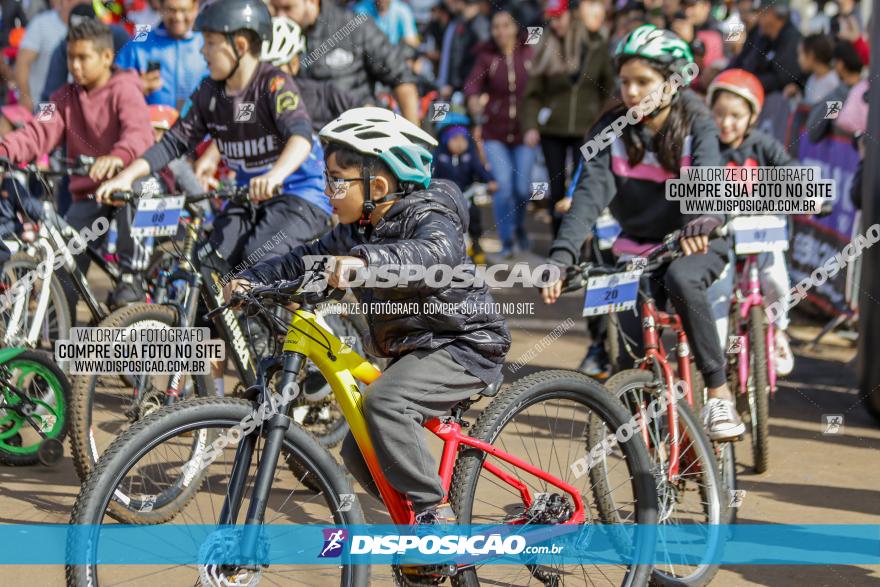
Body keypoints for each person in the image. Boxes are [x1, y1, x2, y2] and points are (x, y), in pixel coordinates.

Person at [224, 106, 511, 534]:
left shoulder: (431, 213)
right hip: (416, 348)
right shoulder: (357, 228)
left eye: (336, 181)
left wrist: (364, 262)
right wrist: (252, 280)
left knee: (384, 403)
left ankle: (436, 517)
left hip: (463, 343)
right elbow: (303, 259)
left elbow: (435, 254)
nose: (327, 191)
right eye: (325, 179)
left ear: (376, 185)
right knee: (361, 451)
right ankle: (417, 517)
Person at [541, 24, 745, 441]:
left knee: (682, 279)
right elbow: (587, 196)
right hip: (636, 248)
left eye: (644, 82)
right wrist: (561, 257)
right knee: (634, 349)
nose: (632, 92)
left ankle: (719, 394)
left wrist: (702, 219)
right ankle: (648, 440)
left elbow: (706, 175)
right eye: (626, 81)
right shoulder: (610, 130)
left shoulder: (697, 121)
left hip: (698, 238)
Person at [0, 18, 155, 307]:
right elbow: (35, 132)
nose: (75, 65)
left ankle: (132, 277)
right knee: (64, 270)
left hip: (128, 189)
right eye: (71, 57)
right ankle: (57, 331)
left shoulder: (125, 89)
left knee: (138, 189)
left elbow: (139, 135)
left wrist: (116, 158)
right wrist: (4, 151)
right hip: (89, 195)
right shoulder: (64, 98)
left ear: (107, 57)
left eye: (83, 57)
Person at [707, 68, 796, 375]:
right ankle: (713, 359)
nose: (726, 123)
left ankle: (779, 331)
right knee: (718, 289)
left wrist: (808, 195)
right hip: (723, 231)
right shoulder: (708, 147)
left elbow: (789, 170)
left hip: (760, 228)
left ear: (752, 117)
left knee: (777, 280)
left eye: (735, 116)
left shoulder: (764, 144)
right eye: (719, 114)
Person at [522, 0, 614, 238]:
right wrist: (531, 125)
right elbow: (532, 94)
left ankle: (579, 241)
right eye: (550, 19)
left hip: (586, 129)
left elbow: (609, 89)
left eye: (558, 17)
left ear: (571, 16)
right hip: (553, 129)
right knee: (556, 188)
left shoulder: (596, 45)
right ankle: (557, 241)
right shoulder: (546, 47)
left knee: (582, 186)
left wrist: (601, 121)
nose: (554, 23)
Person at [271, 0, 420, 123]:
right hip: (303, 142)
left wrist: (413, 143)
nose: (280, 17)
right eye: (275, 9)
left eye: (287, 8)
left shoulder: (354, 27)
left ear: (312, 1)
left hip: (357, 139)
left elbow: (402, 78)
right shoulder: (272, 38)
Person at [463, 9, 534, 258]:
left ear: (515, 27)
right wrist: (473, 100)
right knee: (503, 187)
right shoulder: (486, 57)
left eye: (506, 25)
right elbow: (471, 85)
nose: (501, 31)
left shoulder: (529, 53)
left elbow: (543, 86)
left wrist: (538, 122)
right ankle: (507, 240)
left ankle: (520, 227)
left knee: (523, 189)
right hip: (495, 134)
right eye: (496, 27)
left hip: (526, 132)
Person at [261, 15, 358, 131]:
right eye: (260, 69)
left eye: (274, 69)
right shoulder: (245, 105)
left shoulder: (326, 95)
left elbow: (368, 115)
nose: (265, 76)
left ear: (294, 64)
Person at [115, 0, 208, 111]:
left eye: (184, 10)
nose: (178, 17)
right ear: (161, 8)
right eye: (171, 10)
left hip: (200, 124)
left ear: (195, 8)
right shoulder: (141, 36)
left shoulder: (208, 40)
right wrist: (136, 87)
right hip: (151, 124)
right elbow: (114, 85)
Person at [432, 113, 496, 263]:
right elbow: (430, 174)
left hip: (466, 194)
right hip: (445, 197)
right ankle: (443, 248)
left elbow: (480, 170)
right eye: (455, 139)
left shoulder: (470, 156)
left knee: (474, 216)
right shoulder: (439, 157)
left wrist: (490, 180)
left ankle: (476, 243)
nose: (460, 143)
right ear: (445, 140)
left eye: (463, 139)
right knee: (443, 220)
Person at [13, 0, 84, 113]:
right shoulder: (41, 24)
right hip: (43, 105)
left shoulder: (90, 27)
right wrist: (25, 97)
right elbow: (22, 62)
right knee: (45, 125)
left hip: (76, 109)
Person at [729, 0, 803, 95]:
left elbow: (780, 79)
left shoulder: (792, 40)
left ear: (776, 14)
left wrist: (746, 83)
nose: (758, 18)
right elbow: (746, 63)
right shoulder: (762, 36)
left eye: (763, 13)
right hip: (752, 91)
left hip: (774, 99)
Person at [806, 39, 865, 143]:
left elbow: (815, 132)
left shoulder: (838, 98)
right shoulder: (869, 90)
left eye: (834, 62)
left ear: (840, 64)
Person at [436, 0, 490, 98]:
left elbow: (480, 60)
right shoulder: (457, 21)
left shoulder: (479, 25)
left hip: (465, 90)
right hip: (453, 87)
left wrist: (455, 85)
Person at [783, 33, 838, 106]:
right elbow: (810, 109)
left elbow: (833, 114)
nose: (798, 59)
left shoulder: (833, 82)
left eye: (800, 54)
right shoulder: (812, 79)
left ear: (811, 55)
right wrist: (796, 95)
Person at [353, 0, 419, 48]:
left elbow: (412, 43)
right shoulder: (360, 9)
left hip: (392, 58)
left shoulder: (403, 10)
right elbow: (352, 40)